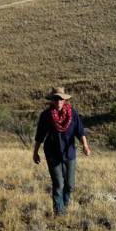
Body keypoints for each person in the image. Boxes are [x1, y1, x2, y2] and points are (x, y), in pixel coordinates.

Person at [32, 87, 91, 215]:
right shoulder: (46, 115)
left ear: (65, 100)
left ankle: (64, 205)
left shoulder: (73, 113)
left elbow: (80, 131)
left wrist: (85, 146)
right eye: (55, 98)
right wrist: (35, 152)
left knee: (70, 185)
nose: (58, 101)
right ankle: (59, 212)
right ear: (52, 100)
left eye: (60, 98)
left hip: (69, 153)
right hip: (52, 153)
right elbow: (40, 135)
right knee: (58, 184)